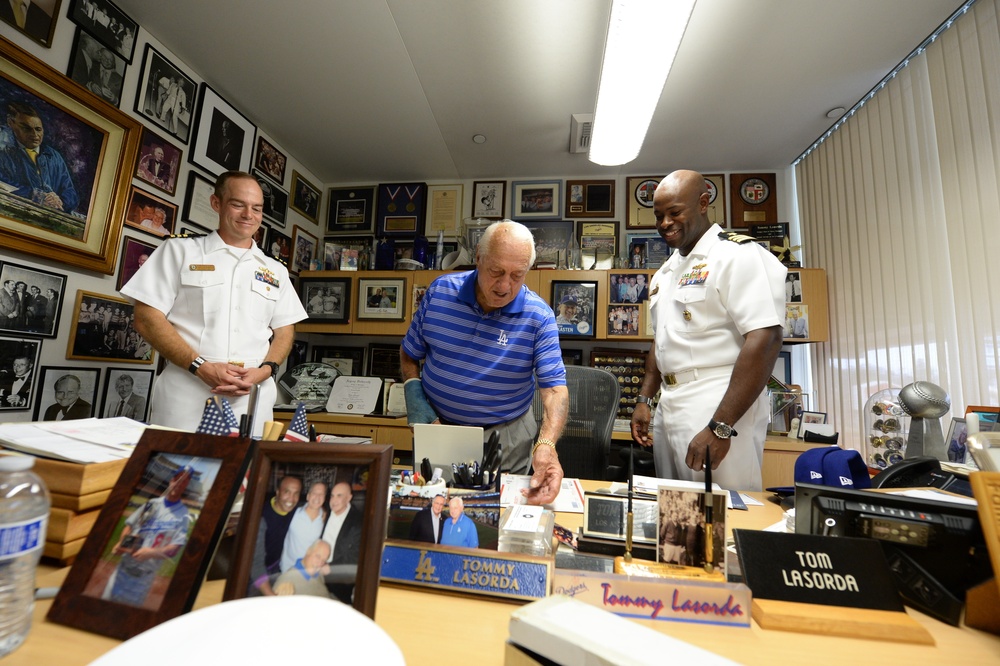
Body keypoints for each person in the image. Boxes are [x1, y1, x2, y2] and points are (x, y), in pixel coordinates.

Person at [119, 171, 307, 436]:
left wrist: (266, 370)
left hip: (253, 396)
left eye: (256, 208)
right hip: (188, 393)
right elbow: (146, 318)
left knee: (247, 474)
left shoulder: (275, 270)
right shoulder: (179, 251)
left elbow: (285, 330)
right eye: (238, 204)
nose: (248, 215)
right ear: (216, 203)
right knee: (178, 473)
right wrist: (200, 367)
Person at [631, 170, 785, 492]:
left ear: (703, 203)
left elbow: (766, 338)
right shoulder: (666, 271)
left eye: (675, 212)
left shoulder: (737, 255)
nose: (665, 223)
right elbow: (661, 342)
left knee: (725, 511)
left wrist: (721, 427)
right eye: (659, 215)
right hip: (671, 404)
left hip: (717, 401)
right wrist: (646, 398)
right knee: (676, 517)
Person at [400, 220, 568, 505]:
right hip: (441, 428)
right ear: (478, 257)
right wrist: (414, 395)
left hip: (507, 437)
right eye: (496, 272)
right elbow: (409, 354)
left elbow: (554, 391)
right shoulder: (440, 292)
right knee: (434, 512)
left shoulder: (539, 316)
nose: (505, 286)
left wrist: (547, 444)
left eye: (517, 275)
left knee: (497, 518)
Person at [102, 466, 193, 607]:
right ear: (171, 480)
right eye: (177, 478)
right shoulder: (151, 504)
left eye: (184, 480)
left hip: (142, 580)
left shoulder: (183, 515)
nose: (179, 483)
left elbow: (175, 548)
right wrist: (121, 543)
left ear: (187, 485)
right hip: (121, 572)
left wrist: (151, 553)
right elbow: (130, 526)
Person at [0, 102, 78, 213]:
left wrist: (60, 201)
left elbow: (71, 193)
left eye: (38, 129)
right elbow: (3, 184)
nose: (35, 135)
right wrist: (34, 195)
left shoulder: (54, 156)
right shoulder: (3, 152)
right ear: (11, 123)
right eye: (26, 128)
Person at [249, 475, 302, 596]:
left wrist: (322, 511)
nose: (291, 499)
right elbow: (255, 563)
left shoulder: (295, 510)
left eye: (296, 493)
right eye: (287, 492)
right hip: (255, 572)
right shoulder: (261, 517)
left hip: (278, 567)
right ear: (278, 492)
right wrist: (271, 596)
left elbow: (308, 507)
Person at [319, 481, 363, 603]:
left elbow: (355, 556)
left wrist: (330, 568)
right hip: (317, 572)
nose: (334, 500)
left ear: (349, 498)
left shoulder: (358, 522)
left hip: (339, 579)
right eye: (332, 496)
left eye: (339, 496)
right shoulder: (324, 513)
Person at [279, 481, 327, 573]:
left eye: (321, 494)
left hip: (309, 573)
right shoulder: (293, 513)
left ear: (324, 498)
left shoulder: (325, 519)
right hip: (287, 570)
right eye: (314, 493)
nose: (317, 497)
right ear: (308, 496)